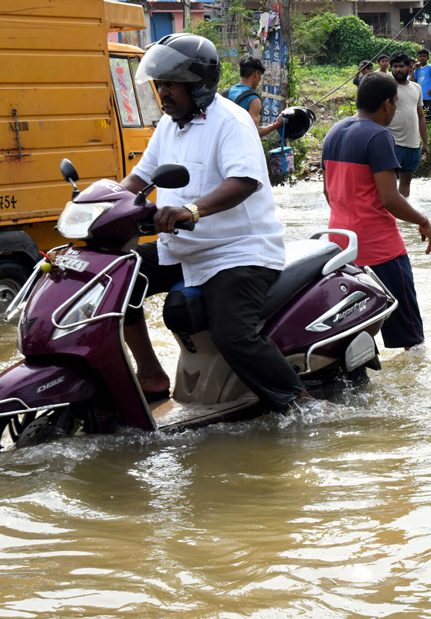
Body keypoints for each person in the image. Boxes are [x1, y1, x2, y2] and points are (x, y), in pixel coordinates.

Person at [122, 33, 307, 411]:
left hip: (237, 251)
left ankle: (299, 402)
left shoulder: (232, 122)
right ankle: (151, 374)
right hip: (182, 248)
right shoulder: (169, 126)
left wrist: (192, 210)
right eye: (160, 85)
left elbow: (243, 182)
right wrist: (100, 202)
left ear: (199, 85)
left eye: (172, 84)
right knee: (118, 282)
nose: (164, 92)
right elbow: (137, 180)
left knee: (232, 333)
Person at [321, 72, 431, 350]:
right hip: (380, 249)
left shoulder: (333, 132)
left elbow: (328, 192)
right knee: (410, 337)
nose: (395, 109)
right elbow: (390, 198)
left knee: (352, 327)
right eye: (395, 103)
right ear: (387, 104)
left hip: (341, 247)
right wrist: (423, 221)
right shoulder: (379, 135)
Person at [386, 52, 428, 198]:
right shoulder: (386, 88)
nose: (398, 70)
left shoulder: (417, 88)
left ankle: (403, 219)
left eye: (401, 66)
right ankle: (387, 217)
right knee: (388, 185)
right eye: (395, 67)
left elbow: (420, 116)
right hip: (392, 142)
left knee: (406, 183)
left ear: (409, 67)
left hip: (413, 144)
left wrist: (425, 143)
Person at [224, 56, 284, 138]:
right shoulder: (253, 100)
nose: (259, 81)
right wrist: (276, 125)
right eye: (260, 77)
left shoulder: (224, 94)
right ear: (256, 74)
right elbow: (254, 131)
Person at [410, 48, 431, 122]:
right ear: (418, 58)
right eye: (420, 56)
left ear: (428, 58)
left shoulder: (430, 67)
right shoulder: (417, 70)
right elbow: (412, 81)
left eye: (424, 56)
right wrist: (413, 69)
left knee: (429, 119)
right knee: (419, 119)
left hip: (427, 98)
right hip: (418, 98)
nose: (422, 57)